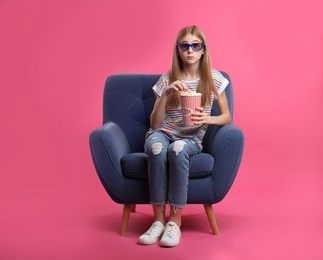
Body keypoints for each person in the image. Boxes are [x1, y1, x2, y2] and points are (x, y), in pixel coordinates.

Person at [138, 25, 231, 247]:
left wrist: (207, 119)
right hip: (162, 132)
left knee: (177, 149)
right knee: (158, 148)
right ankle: (158, 220)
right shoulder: (167, 79)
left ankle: (174, 222)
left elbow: (227, 117)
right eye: (185, 45)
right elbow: (154, 124)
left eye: (195, 45)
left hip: (190, 139)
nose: (190, 50)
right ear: (178, 50)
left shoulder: (214, 79)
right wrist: (165, 94)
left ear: (203, 50)